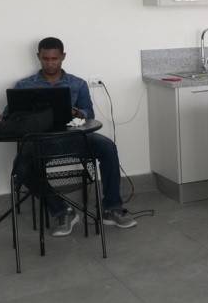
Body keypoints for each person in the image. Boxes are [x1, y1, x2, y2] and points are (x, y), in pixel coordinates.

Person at [8, 37, 137, 235]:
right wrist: (4, 116)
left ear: (63, 57)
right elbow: (11, 114)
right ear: (38, 57)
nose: (50, 63)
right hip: (41, 143)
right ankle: (62, 211)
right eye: (45, 59)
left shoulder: (77, 84)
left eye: (54, 59)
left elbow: (89, 114)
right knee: (21, 168)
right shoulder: (24, 86)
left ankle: (112, 208)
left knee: (107, 147)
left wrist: (78, 113)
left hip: (75, 139)